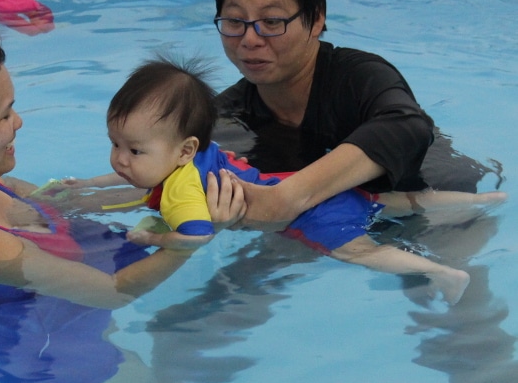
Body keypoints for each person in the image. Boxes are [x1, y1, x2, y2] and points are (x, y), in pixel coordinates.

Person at [0, 22, 243, 312]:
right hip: (58, 359)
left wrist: (179, 196)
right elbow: (113, 293)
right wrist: (192, 239)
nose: (19, 123)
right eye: (3, 115)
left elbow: (71, 203)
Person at [70, 56, 505, 304]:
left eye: (132, 150)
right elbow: (141, 176)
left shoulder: (184, 191)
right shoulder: (186, 149)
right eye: (115, 146)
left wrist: (155, 241)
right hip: (297, 183)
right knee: (395, 202)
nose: (120, 160)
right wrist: (91, 182)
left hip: (304, 216)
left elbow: (193, 237)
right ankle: (484, 201)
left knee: (362, 251)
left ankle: (441, 273)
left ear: (183, 150)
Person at [210, 0, 502, 229]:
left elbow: (410, 127)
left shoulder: (359, 78)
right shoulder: (225, 119)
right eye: (235, 21)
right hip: (342, 216)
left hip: (447, 202)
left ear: (316, 20)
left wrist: (290, 196)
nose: (250, 39)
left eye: (272, 22)